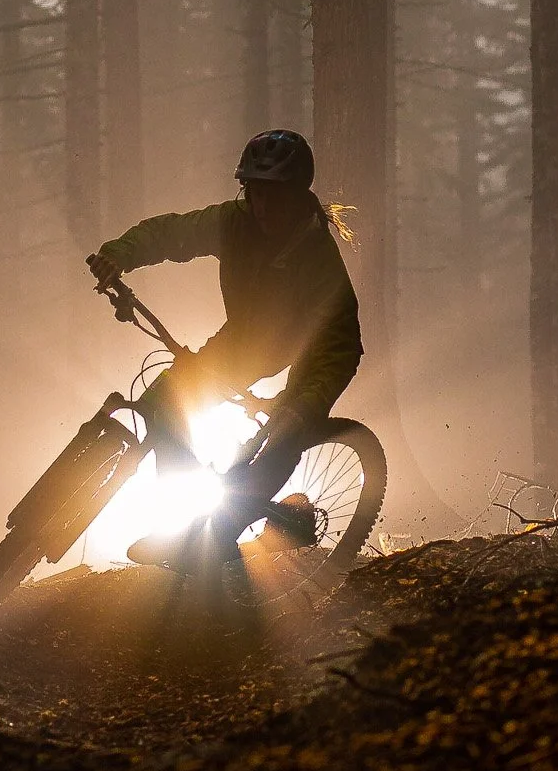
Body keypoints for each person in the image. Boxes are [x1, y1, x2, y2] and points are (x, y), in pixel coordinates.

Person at [88, 129, 362, 568]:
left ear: (297, 195)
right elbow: (169, 233)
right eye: (256, 193)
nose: (264, 207)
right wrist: (118, 255)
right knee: (164, 398)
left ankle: (230, 533)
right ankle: (187, 530)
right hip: (248, 341)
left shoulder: (316, 253)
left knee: (284, 433)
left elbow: (339, 340)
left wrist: (299, 406)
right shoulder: (234, 222)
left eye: (276, 196)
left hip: (323, 349)